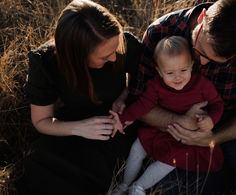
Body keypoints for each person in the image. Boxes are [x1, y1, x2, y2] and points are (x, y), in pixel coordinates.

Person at [129, 0, 236, 194]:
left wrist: (212, 139)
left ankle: (225, 165)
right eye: (199, 50)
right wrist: (182, 122)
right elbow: (138, 100)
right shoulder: (162, 31)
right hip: (175, 130)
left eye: (216, 62)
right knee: (175, 190)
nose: (200, 62)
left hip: (230, 124)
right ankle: (224, 171)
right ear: (202, 18)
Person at [17, 0, 142, 194]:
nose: (114, 58)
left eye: (115, 49)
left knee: (92, 169)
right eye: (104, 57)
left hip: (113, 125)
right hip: (70, 126)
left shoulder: (124, 44)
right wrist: (79, 128)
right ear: (77, 57)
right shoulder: (46, 63)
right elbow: (41, 120)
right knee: (42, 166)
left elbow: (140, 81)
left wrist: (122, 98)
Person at [109, 36, 224, 195]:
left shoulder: (202, 85)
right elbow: (143, 104)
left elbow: (217, 104)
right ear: (159, 71)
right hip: (161, 129)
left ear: (191, 65)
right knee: (137, 148)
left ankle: (139, 187)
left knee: (170, 160)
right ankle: (124, 185)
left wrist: (211, 120)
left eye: (183, 70)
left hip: (184, 137)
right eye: (170, 72)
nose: (178, 77)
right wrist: (123, 119)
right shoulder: (156, 86)